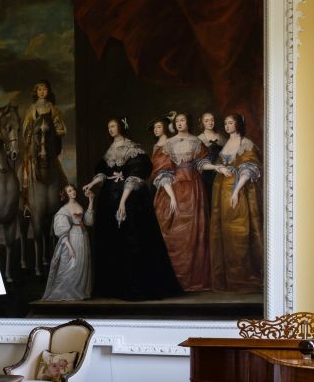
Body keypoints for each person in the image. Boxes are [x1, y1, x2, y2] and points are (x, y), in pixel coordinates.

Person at [83, 117, 180, 300]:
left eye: (113, 126)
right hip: (108, 200)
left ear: (121, 127)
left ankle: (134, 287)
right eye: (109, 127)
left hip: (130, 198)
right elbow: (103, 172)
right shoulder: (109, 149)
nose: (111, 129)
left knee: (133, 240)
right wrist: (92, 183)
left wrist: (123, 201)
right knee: (112, 241)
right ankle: (115, 287)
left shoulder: (133, 147)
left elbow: (137, 173)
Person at [152, 111, 211, 292]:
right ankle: (172, 280)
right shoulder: (168, 144)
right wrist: (171, 196)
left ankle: (193, 279)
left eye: (182, 120)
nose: (179, 123)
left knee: (194, 231)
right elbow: (163, 171)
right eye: (177, 121)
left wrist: (215, 166)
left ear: (188, 122)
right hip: (173, 189)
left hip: (194, 190)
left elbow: (202, 163)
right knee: (171, 229)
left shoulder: (196, 142)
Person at [208, 113, 264, 292]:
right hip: (221, 192)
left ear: (238, 124)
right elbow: (219, 164)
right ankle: (228, 279)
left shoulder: (245, 143)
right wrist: (220, 168)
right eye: (225, 123)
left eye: (230, 123)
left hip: (237, 191)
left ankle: (242, 277)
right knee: (224, 232)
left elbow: (248, 169)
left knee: (239, 231)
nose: (227, 126)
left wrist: (236, 191)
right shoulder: (226, 143)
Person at [20, 79, 70, 218]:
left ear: (48, 91)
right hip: (34, 146)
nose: (42, 92)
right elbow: (25, 129)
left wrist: (52, 131)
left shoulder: (53, 109)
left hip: (49, 147)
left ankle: (64, 195)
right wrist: (30, 138)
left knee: (59, 170)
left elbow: (61, 129)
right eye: (39, 89)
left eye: (45, 89)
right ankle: (26, 203)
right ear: (36, 92)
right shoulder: (31, 110)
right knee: (25, 171)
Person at [41, 184, 94, 301]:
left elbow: (88, 222)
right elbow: (61, 231)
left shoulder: (79, 205)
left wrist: (91, 201)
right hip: (72, 238)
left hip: (83, 238)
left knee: (81, 264)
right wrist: (69, 248)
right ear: (66, 194)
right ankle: (68, 293)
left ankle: (80, 291)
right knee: (71, 265)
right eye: (69, 191)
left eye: (73, 189)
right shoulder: (63, 210)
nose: (73, 192)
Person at [197, 111, 226, 211]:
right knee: (208, 197)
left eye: (212, 120)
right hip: (206, 173)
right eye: (206, 121)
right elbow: (198, 160)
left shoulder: (221, 137)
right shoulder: (199, 138)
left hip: (220, 171)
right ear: (202, 122)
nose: (210, 123)